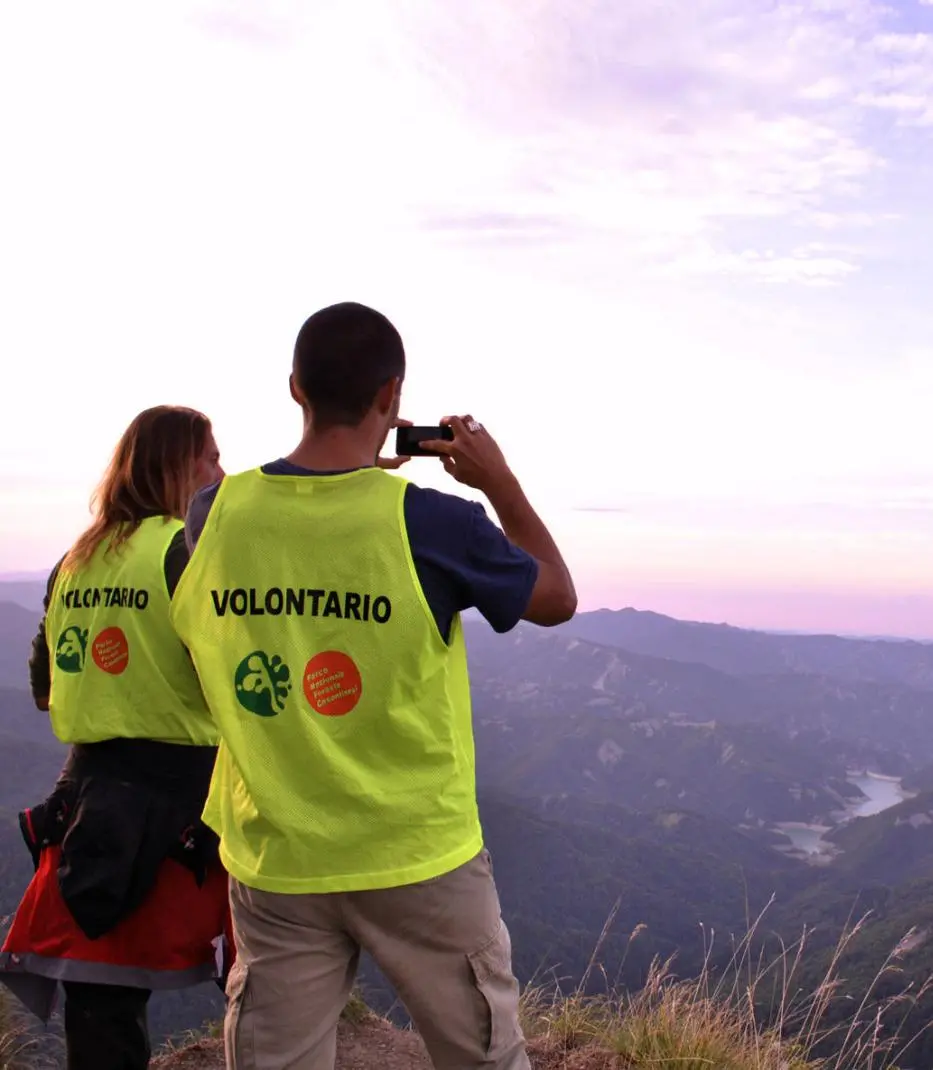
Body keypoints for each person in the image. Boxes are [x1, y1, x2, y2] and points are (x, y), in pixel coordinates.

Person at [170, 301, 578, 1070]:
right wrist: (500, 484)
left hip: (277, 854)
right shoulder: (433, 524)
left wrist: (345, 489)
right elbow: (555, 597)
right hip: (417, 856)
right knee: (483, 1059)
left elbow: (291, 540)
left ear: (296, 388)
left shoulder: (212, 513)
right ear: (391, 397)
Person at [0, 405, 233, 1070]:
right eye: (210, 457)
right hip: (193, 794)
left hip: (89, 797)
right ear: (177, 465)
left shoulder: (76, 559)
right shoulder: (184, 551)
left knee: (100, 994)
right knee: (261, 967)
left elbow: (46, 687)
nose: (221, 471)